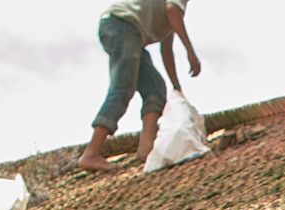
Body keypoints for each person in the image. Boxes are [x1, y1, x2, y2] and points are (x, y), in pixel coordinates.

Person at [80, 0, 203, 173]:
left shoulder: (168, 15)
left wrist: (176, 86)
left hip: (126, 30)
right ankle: (91, 153)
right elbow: (172, 10)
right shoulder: (175, 6)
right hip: (122, 24)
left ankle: (146, 148)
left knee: (155, 88)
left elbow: (166, 49)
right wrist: (190, 52)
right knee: (123, 87)